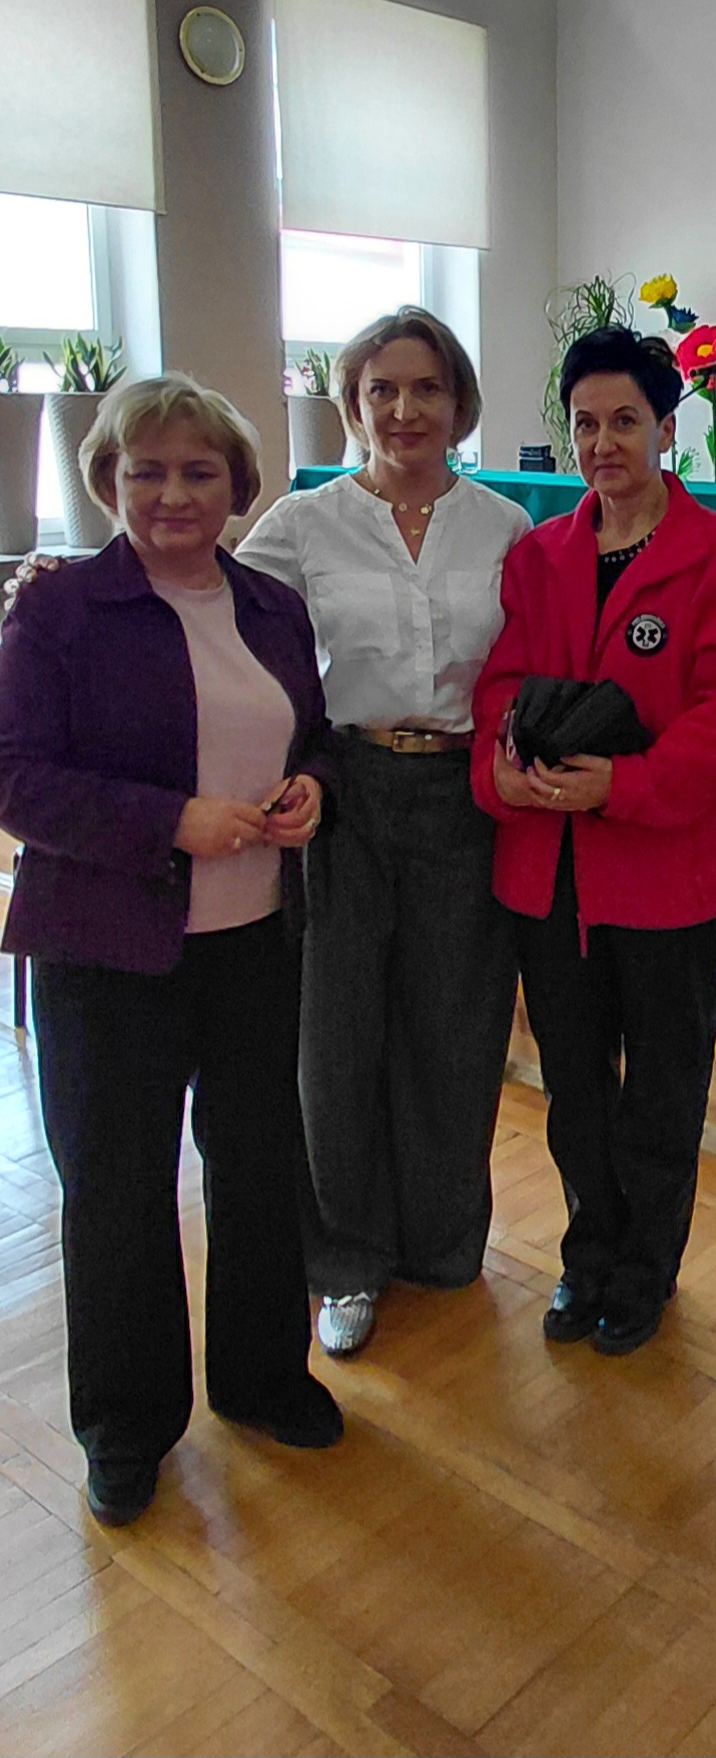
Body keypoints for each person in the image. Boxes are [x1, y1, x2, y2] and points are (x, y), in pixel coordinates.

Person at [0, 376, 342, 1528]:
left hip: (254, 944)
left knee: (258, 1168)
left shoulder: (269, 606)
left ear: (237, 486)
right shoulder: (59, 608)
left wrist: (313, 789)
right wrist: (169, 820)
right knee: (118, 1189)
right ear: (107, 480)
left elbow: (314, 735)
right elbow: (16, 778)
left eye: (199, 471)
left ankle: (262, 1378)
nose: (172, 493)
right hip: (106, 954)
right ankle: (127, 1423)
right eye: (145, 470)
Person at [235, 307, 530, 1358]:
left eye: (426, 388)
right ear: (354, 403)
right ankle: (346, 1261)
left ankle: (442, 1243)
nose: (405, 409)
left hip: (464, 792)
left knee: (456, 1025)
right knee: (338, 1034)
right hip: (347, 790)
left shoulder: (504, 525)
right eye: (382, 390)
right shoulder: (303, 523)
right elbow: (212, 613)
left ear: (458, 401)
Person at [471, 327, 716, 1355]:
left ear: (665, 428)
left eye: (625, 421)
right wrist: (501, 766)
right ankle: (587, 1256)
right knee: (575, 1087)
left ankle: (645, 1271)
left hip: (669, 868)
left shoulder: (715, 552)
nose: (603, 444)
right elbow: (501, 685)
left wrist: (625, 784)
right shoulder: (538, 555)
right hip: (551, 869)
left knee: (663, 1091)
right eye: (586, 423)